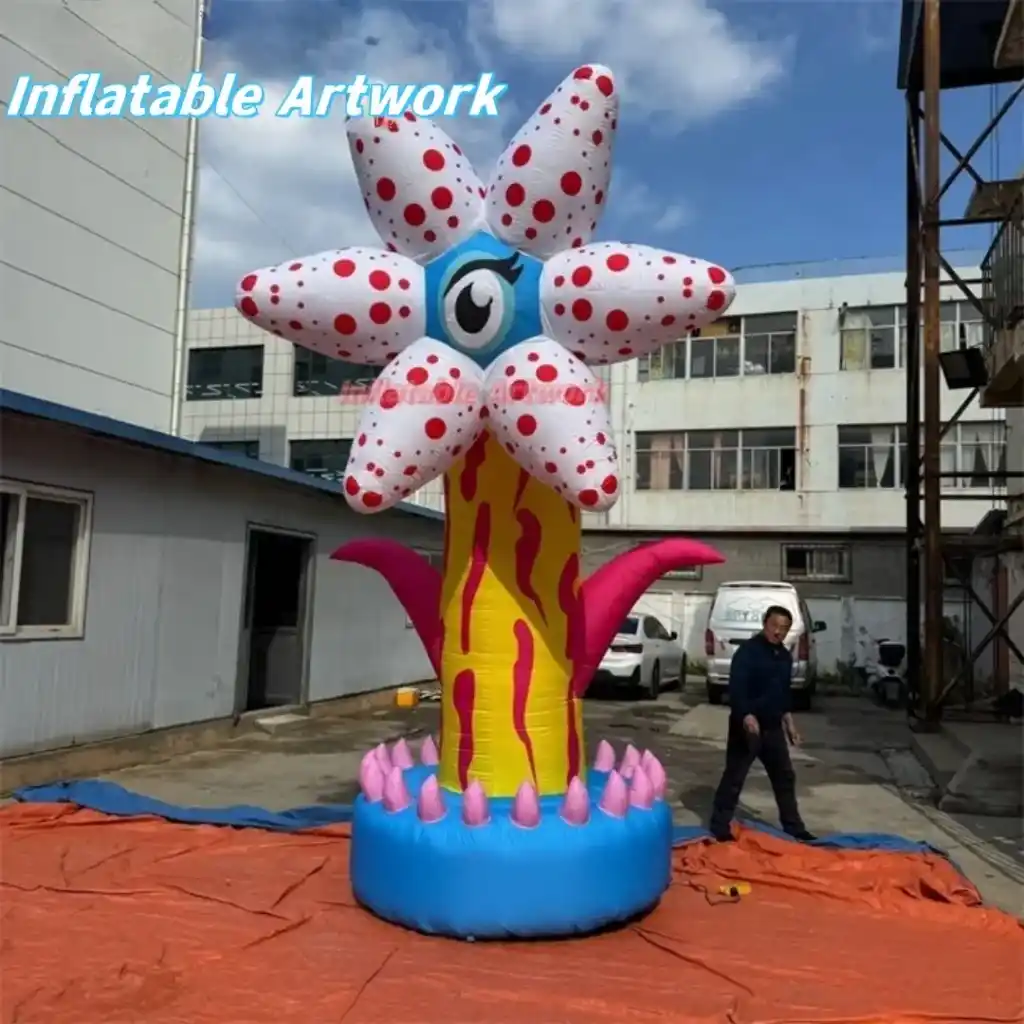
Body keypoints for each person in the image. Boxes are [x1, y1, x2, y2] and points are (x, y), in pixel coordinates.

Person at [709, 605, 816, 843]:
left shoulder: (784, 657)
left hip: (773, 728)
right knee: (735, 777)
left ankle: (794, 827)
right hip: (747, 727)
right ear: (765, 624)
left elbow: (783, 694)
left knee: (785, 777)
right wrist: (747, 715)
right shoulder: (748, 652)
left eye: (784, 628)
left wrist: (790, 724)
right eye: (774, 626)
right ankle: (719, 826)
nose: (778, 632)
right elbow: (737, 688)